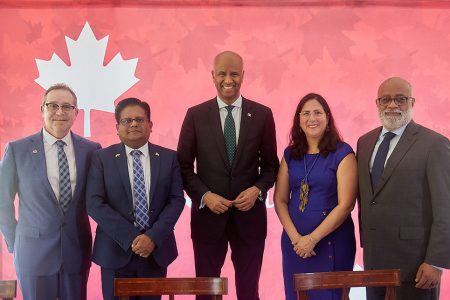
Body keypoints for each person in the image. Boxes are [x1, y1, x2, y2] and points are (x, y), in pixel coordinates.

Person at [177, 51, 279, 300]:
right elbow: (183, 166)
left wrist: (257, 191)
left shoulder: (263, 115)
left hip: (250, 220)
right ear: (213, 75)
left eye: (234, 73)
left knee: (248, 291)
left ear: (243, 75)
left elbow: (270, 166)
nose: (228, 79)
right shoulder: (195, 115)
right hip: (208, 219)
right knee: (207, 293)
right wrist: (205, 196)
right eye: (222, 73)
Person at [0, 83, 101, 300]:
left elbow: (99, 199)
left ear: (76, 112)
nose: (59, 112)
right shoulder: (17, 150)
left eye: (67, 106)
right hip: (32, 253)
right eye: (53, 105)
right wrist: (15, 242)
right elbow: (2, 201)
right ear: (42, 109)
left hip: (76, 250)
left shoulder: (92, 151)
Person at [357, 77, 450, 300]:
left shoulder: (434, 144)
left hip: (416, 265)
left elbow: (446, 207)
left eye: (401, 99)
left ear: (412, 102)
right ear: (377, 103)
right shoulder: (365, 142)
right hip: (374, 262)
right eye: (386, 99)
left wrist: (436, 261)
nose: (392, 105)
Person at [86, 98, 185, 300]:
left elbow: (176, 200)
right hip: (114, 251)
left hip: (155, 253)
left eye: (140, 120)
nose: (133, 124)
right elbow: (94, 203)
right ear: (117, 127)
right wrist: (131, 237)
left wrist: (152, 237)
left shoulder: (169, 158)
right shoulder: (101, 158)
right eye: (127, 120)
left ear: (150, 125)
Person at [274, 93, 357, 300]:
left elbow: (346, 205)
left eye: (318, 113)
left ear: (328, 118)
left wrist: (311, 239)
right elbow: (280, 200)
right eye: (306, 113)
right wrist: (296, 239)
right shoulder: (290, 155)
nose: (312, 119)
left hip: (332, 242)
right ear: (299, 120)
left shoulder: (343, 153)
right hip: (295, 246)